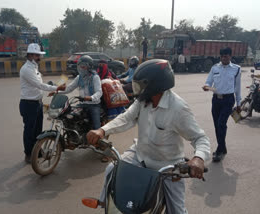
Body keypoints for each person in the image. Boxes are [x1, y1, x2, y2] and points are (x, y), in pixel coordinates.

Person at [87, 59, 210, 214]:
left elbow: (200, 138)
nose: (137, 89)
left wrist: (198, 158)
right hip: (140, 155)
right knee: (112, 169)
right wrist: (102, 131)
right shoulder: (143, 101)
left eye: (141, 85)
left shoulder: (178, 109)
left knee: (177, 211)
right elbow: (127, 118)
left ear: (155, 85)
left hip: (167, 166)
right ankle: (107, 204)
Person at [19, 43, 65, 164]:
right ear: (33, 55)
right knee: (29, 131)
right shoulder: (27, 69)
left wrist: (53, 86)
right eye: (39, 55)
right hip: (29, 104)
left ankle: (37, 152)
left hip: (37, 103)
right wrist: (55, 88)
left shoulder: (34, 67)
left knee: (37, 130)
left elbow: (39, 85)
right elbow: (39, 85)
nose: (40, 57)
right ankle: (29, 154)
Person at [202, 47, 241, 162]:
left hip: (228, 100)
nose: (224, 58)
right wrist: (206, 86)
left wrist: (238, 103)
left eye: (226, 56)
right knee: (216, 125)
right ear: (220, 57)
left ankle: (219, 150)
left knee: (221, 124)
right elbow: (209, 81)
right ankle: (223, 147)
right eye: (222, 56)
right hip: (216, 100)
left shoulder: (236, 69)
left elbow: (237, 87)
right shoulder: (215, 68)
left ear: (230, 56)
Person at [50, 55, 102, 130]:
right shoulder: (79, 77)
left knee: (96, 127)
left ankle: (98, 139)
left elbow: (99, 92)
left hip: (93, 105)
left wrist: (91, 98)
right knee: (70, 117)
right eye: (80, 66)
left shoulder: (95, 77)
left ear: (89, 67)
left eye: (83, 67)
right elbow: (69, 88)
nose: (81, 69)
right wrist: (56, 92)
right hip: (82, 104)